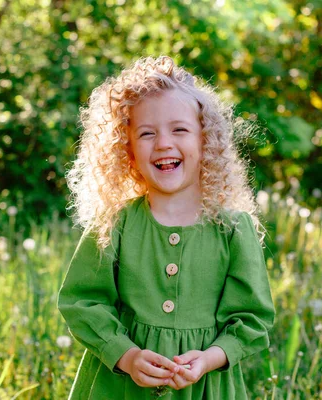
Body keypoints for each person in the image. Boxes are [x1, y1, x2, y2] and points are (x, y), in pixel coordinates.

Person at [58, 56, 275, 399]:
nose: (163, 143)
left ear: (206, 142)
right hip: (121, 386)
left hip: (205, 387)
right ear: (126, 150)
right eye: (147, 133)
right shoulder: (116, 223)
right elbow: (82, 301)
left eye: (179, 129)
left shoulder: (233, 228)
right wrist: (127, 357)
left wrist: (209, 359)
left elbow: (252, 318)